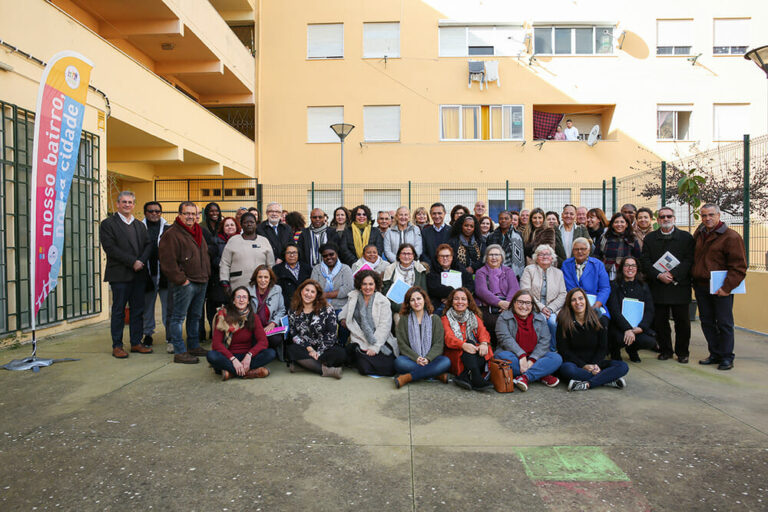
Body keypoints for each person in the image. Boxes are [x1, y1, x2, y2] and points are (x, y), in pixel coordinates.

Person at [692, 204, 747, 371]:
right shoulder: (699, 234)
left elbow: (739, 267)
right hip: (702, 287)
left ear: (719, 215)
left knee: (724, 323)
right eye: (703, 215)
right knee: (707, 322)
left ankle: (726, 357)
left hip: (721, 289)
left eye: (711, 215)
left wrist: (726, 288)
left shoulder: (731, 237)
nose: (707, 218)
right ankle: (714, 353)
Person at [100, 191, 153, 358]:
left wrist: (141, 261)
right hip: (120, 275)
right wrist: (132, 262)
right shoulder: (108, 224)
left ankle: (136, 343)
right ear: (117, 204)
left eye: (130, 202)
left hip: (139, 275)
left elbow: (148, 245)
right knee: (119, 311)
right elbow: (110, 248)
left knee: (138, 310)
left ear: (134, 204)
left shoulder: (139, 225)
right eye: (124, 202)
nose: (127, 205)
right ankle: (117, 345)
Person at [159, 201, 212, 363]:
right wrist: (182, 280)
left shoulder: (198, 231)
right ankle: (180, 351)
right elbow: (167, 262)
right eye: (186, 213)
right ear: (180, 215)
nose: (190, 217)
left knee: (195, 316)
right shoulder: (172, 233)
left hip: (201, 280)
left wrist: (206, 274)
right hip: (186, 284)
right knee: (178, 317)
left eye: (193, 213)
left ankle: (194, 345)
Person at [640, 207, 694, 363]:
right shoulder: (650, 239)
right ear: (657, 220)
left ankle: (683, 352)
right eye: (662, 217)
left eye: (669, 216)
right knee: (660, 322)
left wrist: (673, 274)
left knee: (682, 323)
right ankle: (666, 350)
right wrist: (658, 275)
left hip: (680, 286)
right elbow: (645, 261)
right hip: (658, 286)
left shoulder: (686, 238)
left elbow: (689, 260)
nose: (665, 219)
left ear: (674, 218)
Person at [557, 288, 629, 391]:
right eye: (573, 300)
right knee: (567, 370)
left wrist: (596, 365)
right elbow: (564, 350)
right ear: (569, 303)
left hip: (596, 363)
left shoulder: (599, 320)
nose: (578, 302)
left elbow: (603, 348)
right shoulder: (564, 321)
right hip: (575, 364)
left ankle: (587, 384)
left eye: (581, 298)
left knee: (623, 366)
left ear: (586, 300)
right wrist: (583, 366)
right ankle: (607, 379)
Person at [495, 290, 563, 391]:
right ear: (514, 303)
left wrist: (532, 360)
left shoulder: (540, 318)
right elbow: (505, 339)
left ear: (532, 305)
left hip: (536, 357)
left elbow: (544, 341)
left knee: (556, 358)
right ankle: (541, 374)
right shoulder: (504, 318)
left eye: (528, 303)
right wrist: (521, 355)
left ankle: (525, 377)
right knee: (502, 358)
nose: (524, 306)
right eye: (520, 302)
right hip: (514, 356)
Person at [206, 286, 276, 380]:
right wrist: (233, 359)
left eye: (244, 297)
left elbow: (263, 342)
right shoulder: (223, 316)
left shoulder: (253, 317)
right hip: (228, 356)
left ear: (248, 301)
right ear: (233, 300)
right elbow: (216, 344)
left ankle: (231, 373)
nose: (241, 300)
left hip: (247, 356)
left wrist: (249, 355)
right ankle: (249, 373)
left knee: (270, 353)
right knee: (211, 356)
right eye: (238, 297)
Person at [340, 270, 398, 376]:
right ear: (359, 285)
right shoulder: (354, 296)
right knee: (364, 369)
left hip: (380, 341)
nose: (367, 287)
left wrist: (375, 347)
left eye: (371, 284)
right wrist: (343, 319)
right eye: (364, 284)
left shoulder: (383, 301)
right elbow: (344, 311)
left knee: (390, 368)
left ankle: (360, 357)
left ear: (375, 285)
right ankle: (359, 355)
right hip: (359, 339)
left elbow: (384, 327)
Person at [286, 279, 346, 378]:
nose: (309, 294)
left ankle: (303, 366)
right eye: (307, 290)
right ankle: (327, 371)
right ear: (301, 291)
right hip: (305, 347)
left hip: (324, 347)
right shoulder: (293, 309)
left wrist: (318, 352)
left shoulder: (327, 309)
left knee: (341, 354)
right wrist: (310, 349)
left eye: (312, 292)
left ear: (317, 295)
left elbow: (331, 334)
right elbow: (294, 334)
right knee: (291, 350)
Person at [394, 286, 451, 388]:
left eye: (419, 298)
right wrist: (417, 358)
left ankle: (407, 377)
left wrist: (428, 359)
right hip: (411, 359)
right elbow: (402, 344)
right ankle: (436, 374)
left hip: (431, 359)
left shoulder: (435, 319)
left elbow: (438, 344)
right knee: (399, 362)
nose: (416, 302)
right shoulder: (404, 319)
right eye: (412, 300)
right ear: (408, 303)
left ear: (425, 300)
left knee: (446, 361)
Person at [606, 257, 657, 362]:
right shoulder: (614, 286)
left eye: (633, 265)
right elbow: (614, 310)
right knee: (618, 339)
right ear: (622, 268)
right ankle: (615, 351)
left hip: (637, 327)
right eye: (627, 265)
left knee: (650, 342)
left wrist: (641, 328)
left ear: (637, 268)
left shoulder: (644, 286)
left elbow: (649, 310)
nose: (630, 268)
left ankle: (632, 349)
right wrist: (627, 329)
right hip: (619, 326)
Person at [442, 288, 493, 391]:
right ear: (451, 302)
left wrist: (483, 343)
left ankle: (465, 376)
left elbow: (482, 331)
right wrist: (463, 345)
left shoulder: (473, 317)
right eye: (456, 299)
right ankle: (477, 378)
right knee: (469, 343)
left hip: (472, 352)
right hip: (455, 352)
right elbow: (448, 338)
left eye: (463, 299)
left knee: (484, 348)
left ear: (468, 302)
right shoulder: (445, 319)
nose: (460, 302)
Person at [520, 244, 567, 348]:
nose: (545, 256)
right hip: (533, 306)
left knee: (553, 322)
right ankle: (537, 349)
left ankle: (552, 349)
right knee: (540, 320)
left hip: (553, 309)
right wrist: (541, 307)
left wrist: (550, 308)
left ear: (552, 258)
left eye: (548, 254)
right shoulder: (529, 270)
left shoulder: (558, 273)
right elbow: (525, 290)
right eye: (541, 254)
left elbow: (563, 294)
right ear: (536, 258)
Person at [474, 244, 520, 348]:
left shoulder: (508, 271)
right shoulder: (480, 272)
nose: (494, 258)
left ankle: (510, 350)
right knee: (494, 322)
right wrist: (499, 303)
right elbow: (481, 291)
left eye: (497, 255)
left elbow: (514, 288)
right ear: (486, 257)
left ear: (502, 257)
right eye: (491, 255)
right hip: (487, 307)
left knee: (514, 321)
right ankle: (494, 351)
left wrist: (507, 304)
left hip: (507, 305)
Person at [141, 201, 171, 348]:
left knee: (168, 307)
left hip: (165, 274)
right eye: (151, 211)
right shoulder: (139, 228)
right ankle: (147, 334)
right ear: (145, 213)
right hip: (146, 274)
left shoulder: (168, 229)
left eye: (157, 211)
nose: (154, 214)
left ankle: (170, 335)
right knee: (147, 307)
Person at [206, 216, 239, 347]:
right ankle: (218, 335)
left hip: (237, 279)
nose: (230, 227)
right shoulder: (215, 241)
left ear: (237, 227)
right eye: (227, 225)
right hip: (219, 280)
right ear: (222, 228)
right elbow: (212, 259)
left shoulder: (241, 240)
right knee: (219, 310)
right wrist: (225, 264)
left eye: (232, 225)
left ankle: (233, 334)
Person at [311, 243, 354, 343]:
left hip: (341, 306)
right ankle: (325, 345)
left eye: (331, 254)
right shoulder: (317, 269)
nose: (328, 258)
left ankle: (341, 344)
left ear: (337, 254)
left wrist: (325, 295)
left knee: (345, 323)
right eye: (325, 256)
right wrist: (329, 295)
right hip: (321, 305)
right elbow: (314, 289)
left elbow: (347, 289)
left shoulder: (345, 269)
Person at [219, 212, 274, 290]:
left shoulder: (264, 241)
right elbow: (225, 263)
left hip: (260, 287)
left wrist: (270, 282)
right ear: (241, 225)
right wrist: (224, 282)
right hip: (237, 285)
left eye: (252, 222)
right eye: (246, 222)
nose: (249, 224)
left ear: (256, 224)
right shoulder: (233, 240)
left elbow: (270, 264)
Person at [561, 238, 611, 316]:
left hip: (594, 303)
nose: (580, 251)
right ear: (573, 251)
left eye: (583, 249)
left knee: (601, 321)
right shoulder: (566, 264)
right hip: (572, 304)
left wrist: (596, 305)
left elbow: (605, 288)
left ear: (589, 250)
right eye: (576, 249)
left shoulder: (598, 265)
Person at [248, 265, 287, 359]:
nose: (263, 280)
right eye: (260, 277)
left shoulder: (277, 289)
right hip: (253, 327)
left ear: (270, 279)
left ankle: (262, 351)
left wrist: (273, 323)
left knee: (276, 339)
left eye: (266, 277)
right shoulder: (248, 290)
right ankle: (262, 352)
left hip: (269, 328)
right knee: (250, 339)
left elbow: (281, 310)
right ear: (255, 278)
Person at [382, 244, 428, 319]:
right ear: (399, 255)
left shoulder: (420, 269)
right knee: (398, 318)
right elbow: (386, 293)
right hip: (396, 307)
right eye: (403, 253)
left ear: (413, 256)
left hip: (417, 305)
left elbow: (424, 291)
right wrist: (401, 308)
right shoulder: (390, 269)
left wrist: (415, 306)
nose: (406, 256)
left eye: (409, 254)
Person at [426, 244, 474, 314]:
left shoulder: (460, 268)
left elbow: (470, 285)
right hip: (439, 305)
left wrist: (452, 298)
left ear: (452, 257)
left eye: (447, 256)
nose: (445, 258)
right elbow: (434, 288)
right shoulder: (432, 271)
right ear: (437, 258)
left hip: (460, 304)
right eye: (442, 256)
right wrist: (453, 293)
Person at [594, 212, 641, 280]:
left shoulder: (632, 239)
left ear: (627, 224)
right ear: (612, 224)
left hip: (626, 275)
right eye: (616, 222)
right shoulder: (604, 238)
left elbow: (637, 258)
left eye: (622, 222)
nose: (619, 224)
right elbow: (597, 256)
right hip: (606, 274)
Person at [486, 211, 525, 279]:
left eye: (506, 218)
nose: (503, 220)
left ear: (511, 220)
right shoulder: (491, 236)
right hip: (495, 271)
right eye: (501, 218)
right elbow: (488, 255)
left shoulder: (519, 235)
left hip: (513, 272)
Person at [273, 243, 312, 308]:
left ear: (298, 254)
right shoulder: (277, 270)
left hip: (305, 305)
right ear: (284, 254)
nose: (292, 255)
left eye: (294, 253)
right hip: (286, 306)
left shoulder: (307, 268)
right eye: (288, 253)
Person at [421, 202, 451, 270]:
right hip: (430, 270)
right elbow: (423, 252)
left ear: (444, 213)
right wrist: (430, 266)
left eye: (439, 213)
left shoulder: (451, 231)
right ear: (430, 215)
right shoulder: (425, 232)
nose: (437, 216)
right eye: (434, 213)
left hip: (448, 269)